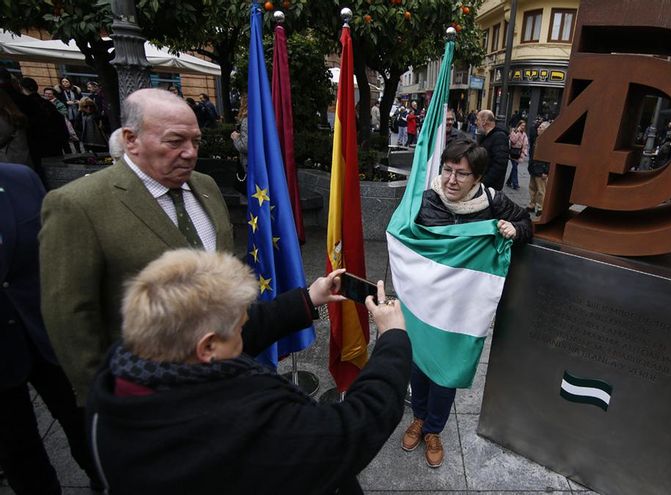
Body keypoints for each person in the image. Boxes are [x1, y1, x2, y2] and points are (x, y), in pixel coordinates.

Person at [86, 249, 411, 494]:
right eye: (239, 327)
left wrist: (309, 299)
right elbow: (354, 428)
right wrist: (393, 338)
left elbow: (241, 329)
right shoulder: (246, 422)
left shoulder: (123, 376)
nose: (245, 329)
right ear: (208, 347)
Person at [39, 88, 236, 402]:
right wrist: (104, 397)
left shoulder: (206, 186)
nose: (190, 152)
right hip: (147, 396)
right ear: (131, 139)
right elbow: (70, 316)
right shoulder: (77, 205)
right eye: (175, 141)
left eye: (195, 141)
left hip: (223, 374)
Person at [404, 138, 531, 468]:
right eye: (447, 170)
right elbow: (404, 236)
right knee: (419, 363)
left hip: (461, 309)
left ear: (478, 178)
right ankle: (418, 416)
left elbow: (526, 224)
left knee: (447, 372)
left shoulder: (492, 202)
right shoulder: (425, 198)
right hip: (425, 303)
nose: (451, 180)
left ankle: (433, 429)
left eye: (461, 174)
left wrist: (513, 230)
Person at [0, 163, 103, 494]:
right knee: (18, 451)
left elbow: (57, 250)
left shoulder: (20, 179)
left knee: (87, 430)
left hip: (50, 337)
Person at [475, 110, 509, 191]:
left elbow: (499, 164)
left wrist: (484, 183)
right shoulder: (485, 137)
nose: (476, 122)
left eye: (477, 119)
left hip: (490, 188)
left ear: (484, 121)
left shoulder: (499, 137)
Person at [0, 90, 31, 166]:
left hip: (9, 161)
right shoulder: (12, 115)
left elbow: (2, 136)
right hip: (20, 160)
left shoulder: (4, 117)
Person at [527, 121, 551, 216]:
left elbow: (549, 157)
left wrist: (546, 171)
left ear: (546, 130)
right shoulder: (537, 139)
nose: (538, 128)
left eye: (541, 127)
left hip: (541, 170)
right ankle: (532, 205)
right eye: (539, 127)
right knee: (532, 188)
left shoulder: (548, 141)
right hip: (534, 168)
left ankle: (541, 207)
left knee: (541, 190)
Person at [231, 93, 248, 194]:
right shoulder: (261, 118)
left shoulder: (246, 120)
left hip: (248, 165)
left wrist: (235, 138)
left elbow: (245, 146)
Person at [506, 119, 528, 190]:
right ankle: (515, 183)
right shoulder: (515, 131)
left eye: (524, 126)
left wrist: (524, 152)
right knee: (515, 167)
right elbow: (513, 140)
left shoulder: (524, 134)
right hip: (513, 152)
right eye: (522, 125)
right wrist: (518, 132)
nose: (523, 127)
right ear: (519, 125)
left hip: (519, 153)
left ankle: (509, 181)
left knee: (514, 168)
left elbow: (525, 144)